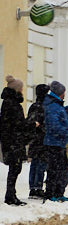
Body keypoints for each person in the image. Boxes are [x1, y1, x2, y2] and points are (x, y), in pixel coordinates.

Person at [2, 76, 31, 206]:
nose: (23, 91)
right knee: (15, 168)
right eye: (21, 88)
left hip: (12, 140)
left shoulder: (8, 103)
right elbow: (18, 124)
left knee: (15, 168)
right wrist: (30, 125)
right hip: (14, 141)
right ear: (17, 90)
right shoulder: (13, 105)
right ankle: (10, 196)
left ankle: (11, 194)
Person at [42, 81, 68, 202]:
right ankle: (51, 194)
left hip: (58, 143)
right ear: (60, 93)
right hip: (54, 143)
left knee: (62, 170)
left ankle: (58, 193)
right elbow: (54, 124)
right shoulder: (53, 106)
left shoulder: (56, 105)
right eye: (63, 92)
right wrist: (65, 131)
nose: (65, 94)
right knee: (55, 170)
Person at [25, 83, 48, 199]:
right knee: (41, 164)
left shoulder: (33, 106)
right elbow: (45, 124)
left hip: (34, 140)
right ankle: (37, 188)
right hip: (42, 140)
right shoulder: (45, 107)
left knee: (34, 163)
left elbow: (29, 122)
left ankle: (33, 188)